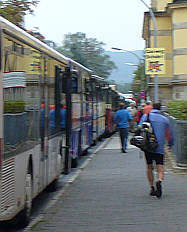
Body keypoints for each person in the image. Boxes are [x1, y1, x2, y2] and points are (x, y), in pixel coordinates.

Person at [139, 102, 174, 198]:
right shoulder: (164, 119)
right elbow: (170, 135)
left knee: (149, 167)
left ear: (152, 108)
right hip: (159, 146)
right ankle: (159, 180)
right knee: (160, 167)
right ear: (160, 109)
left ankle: (152, 187)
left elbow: (139, 127)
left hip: (148, 147)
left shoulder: (146, 116)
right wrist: (170, 144)